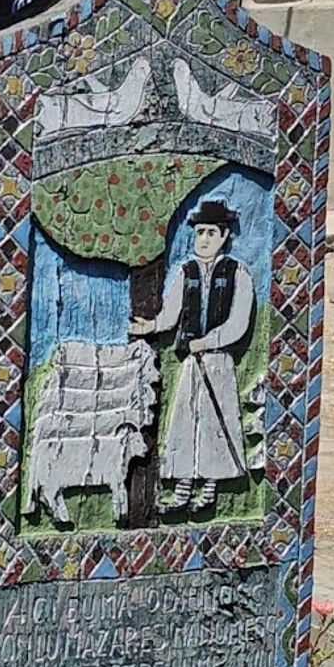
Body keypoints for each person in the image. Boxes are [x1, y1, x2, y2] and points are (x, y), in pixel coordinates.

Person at [129, 200, 254, 513]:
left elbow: (238, 323)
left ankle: (210, 488)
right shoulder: (186, 272)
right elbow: (171, 315)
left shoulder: (238, 273)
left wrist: (208, 342)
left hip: (219, 361)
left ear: (224, 235)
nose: (204, 239)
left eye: (211, 232)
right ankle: (183, 488)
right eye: (200, 232)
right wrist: (150, 326)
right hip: (191, 362)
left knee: (215, 422)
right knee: (186, 422)